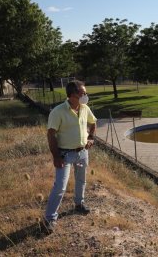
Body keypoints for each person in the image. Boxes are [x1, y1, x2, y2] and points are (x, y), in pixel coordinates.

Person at [44, 80, 97, 233]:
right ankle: (49, 218)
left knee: (81, 180)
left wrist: (91, 137)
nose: (86, 96)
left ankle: (79, 204)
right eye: (83, 93)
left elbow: (93, 122)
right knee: (60, 186)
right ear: (72, 95)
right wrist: (56, 156)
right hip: (64, 155)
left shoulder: (85, 108)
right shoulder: (58, 112)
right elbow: (51, 134)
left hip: (82, 153)